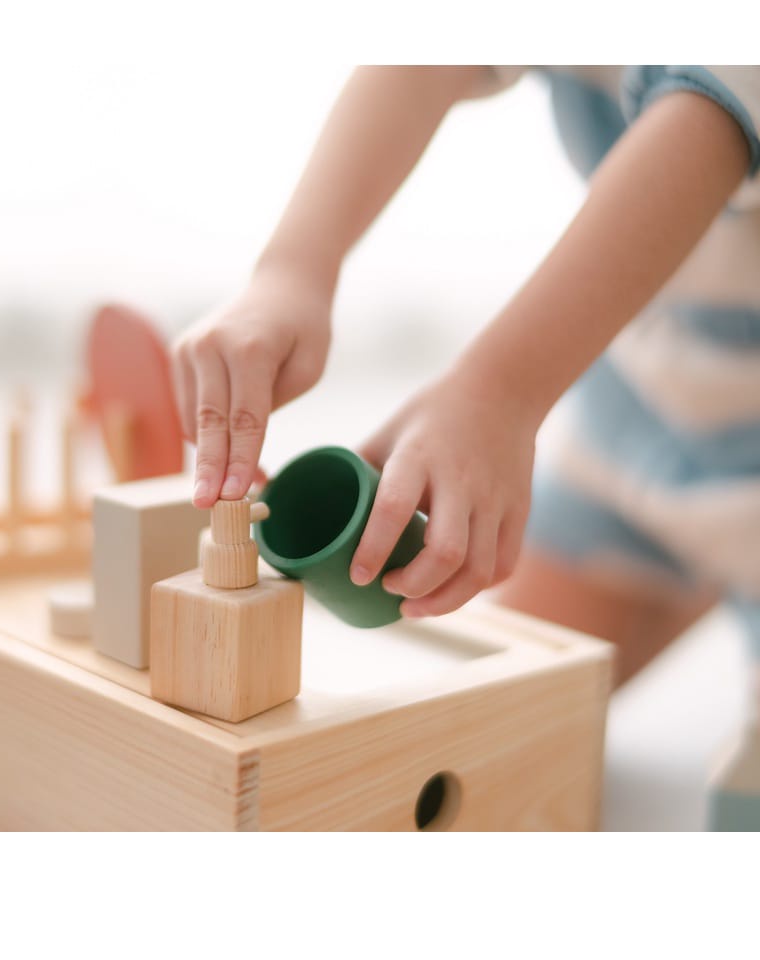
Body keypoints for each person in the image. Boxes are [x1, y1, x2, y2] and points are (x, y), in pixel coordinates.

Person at [171, 66, 760, 702]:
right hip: (641, 410)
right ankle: (680, 579)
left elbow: (719, 99)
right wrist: (291, 269)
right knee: (516, 719)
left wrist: (500, 391)